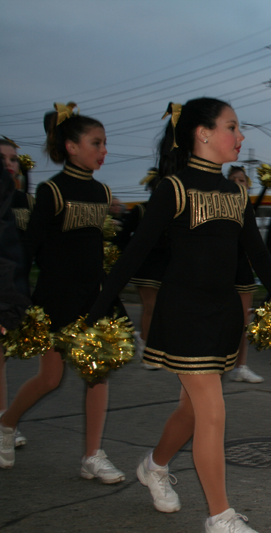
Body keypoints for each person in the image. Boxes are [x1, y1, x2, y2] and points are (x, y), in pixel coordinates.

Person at [85, 97, 271, 532]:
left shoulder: (236, 192)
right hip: (184, 314)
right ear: (203, 133)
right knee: (213, 414)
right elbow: (135, 252)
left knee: (193, 412)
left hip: (223, 317)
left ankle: (154, 466)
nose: (241, 136)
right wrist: (98, 310)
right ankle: (220, 516)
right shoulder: (173, 188)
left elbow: (256, 252)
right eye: (232, 127)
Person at [0, 103, 127, 479]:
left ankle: (93, 455)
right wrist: (17, 299)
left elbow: (94, 247)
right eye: (96, 143)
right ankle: (6, 425)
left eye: (104, 143)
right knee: (50, 379)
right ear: (71, 146)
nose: (103, 150)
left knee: (97, 373)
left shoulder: (103, 191)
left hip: (95, 297)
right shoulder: (51, 191)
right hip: (57, 299)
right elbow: (29, 248)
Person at [114, 167, 171, 369]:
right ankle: (148, 350)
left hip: (167, 265)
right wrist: (131, 256)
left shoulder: (173, 213)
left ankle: (151, 343)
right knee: (151, 306)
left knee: (163, 308)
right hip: (145, 265)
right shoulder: (140, 210)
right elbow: (121, 237)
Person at [0, 152, 31, 450]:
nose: (9, 163)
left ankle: (4, 419)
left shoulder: (22, 200)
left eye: (13, 159)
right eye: (2, 158)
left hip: (11, 285)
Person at [226, 166, 263, 384]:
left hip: (242, 269)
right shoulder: (220, 206)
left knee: (243, 322)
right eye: (234, 180)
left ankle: (241, 366)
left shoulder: (248, 208)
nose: (239, 183)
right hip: (222, 269)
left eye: (243, 180)